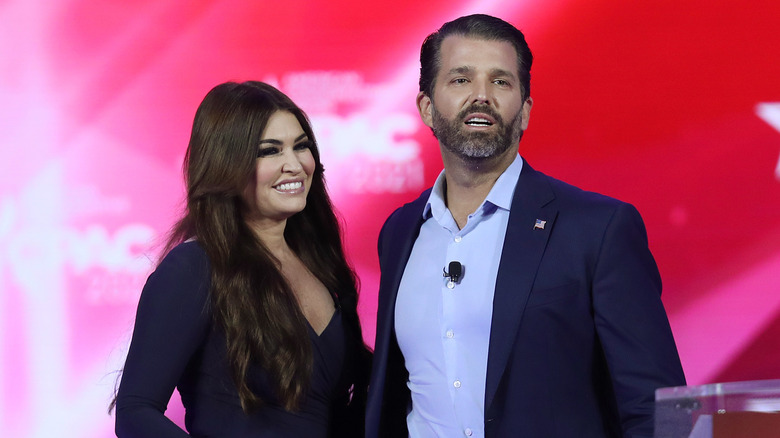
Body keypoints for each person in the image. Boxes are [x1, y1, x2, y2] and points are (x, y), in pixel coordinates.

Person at [365, 14, 686, 438]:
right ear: (426, 106)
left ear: (526, 110)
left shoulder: (597, 228)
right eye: (461, 80)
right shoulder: (399, 232)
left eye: (501, 82)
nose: (481, 96)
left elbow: (658, 409)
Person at [113, 81, 370, 438]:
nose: (294, 165)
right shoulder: (195, 269)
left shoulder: (323, 267)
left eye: (301, 146)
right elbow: (135, 413)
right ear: (226, 165)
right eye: (270, 151)